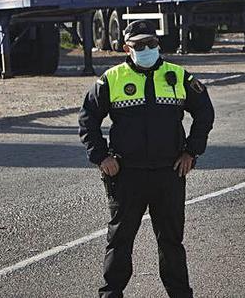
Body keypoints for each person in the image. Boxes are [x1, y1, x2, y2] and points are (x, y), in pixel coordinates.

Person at [79, 20, 214, 298]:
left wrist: (192, 151)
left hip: (169, 173)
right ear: (127, 48)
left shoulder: (178, 76)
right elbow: (88, 119)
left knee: (171, 243)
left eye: (151, 43)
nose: (146, 49)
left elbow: (204, 113)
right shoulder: (111, 79)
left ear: (158, 43)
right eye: (139, 45)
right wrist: (101, 157)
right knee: (120, 241)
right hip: (127, 175)